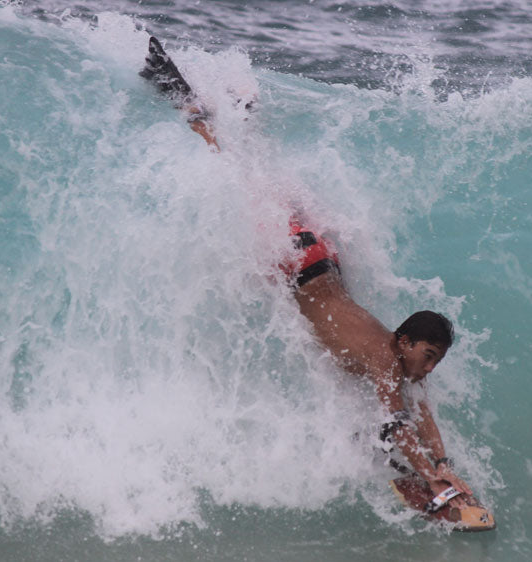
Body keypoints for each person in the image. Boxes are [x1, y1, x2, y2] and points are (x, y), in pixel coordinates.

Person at [140, 37, 475, 509]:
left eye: (436, 358)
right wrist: (432, 479)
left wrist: (442, 466)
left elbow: (421, 417)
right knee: (236, 173)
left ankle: (242, 114)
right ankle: (191, 105)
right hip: (301, 265)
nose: (431, 365)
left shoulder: (402, 361)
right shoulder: (385, 359)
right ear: (404, 342)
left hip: (320, 260)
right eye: (430, 354)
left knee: (259, 178)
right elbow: (398, 421)